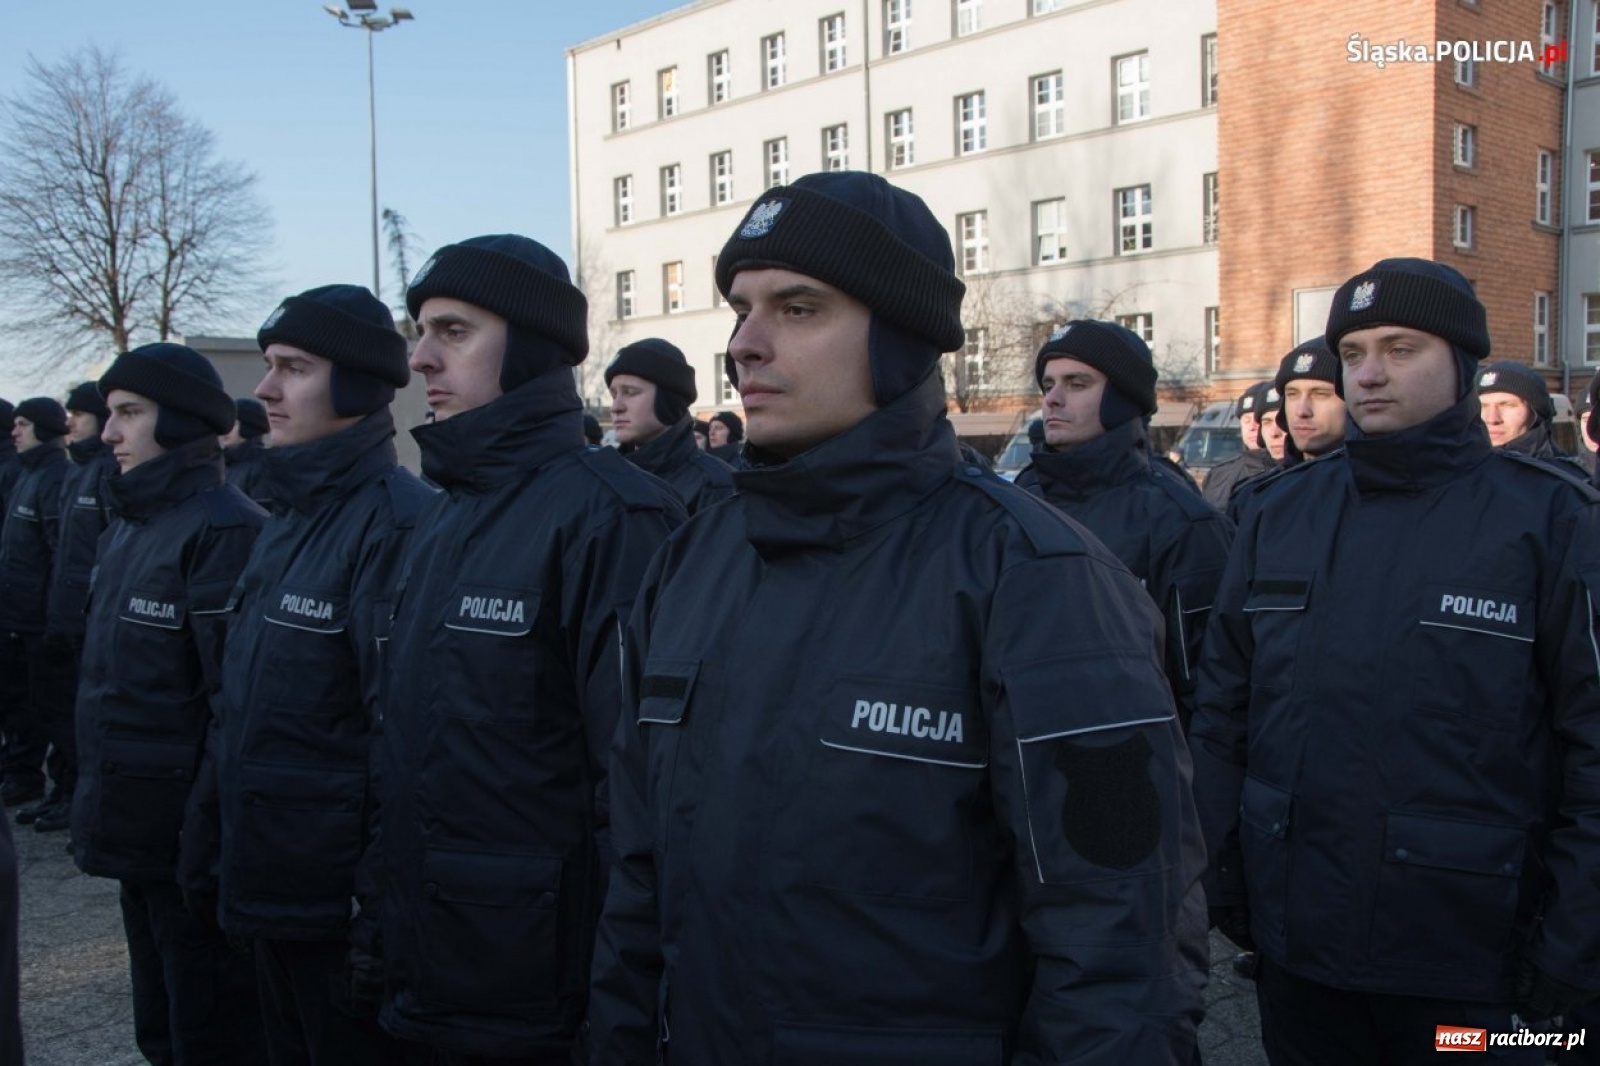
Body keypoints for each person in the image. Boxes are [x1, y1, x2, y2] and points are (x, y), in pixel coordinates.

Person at [589, 171, 1208, 1064]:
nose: (745, 345)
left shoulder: (1042, 580)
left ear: (900, 339)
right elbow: (641, 881)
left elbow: (1122, 931)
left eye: (799, 309)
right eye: (741, 308)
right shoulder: (693, 561)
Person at [1192, 259, 1600, 1066]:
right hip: (1301, 957)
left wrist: (1574, 949)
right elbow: (1224, 716)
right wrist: (1223, 871)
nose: (1370, 373)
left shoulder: (1550, 521)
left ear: (1462, 363)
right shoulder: (1280, 515)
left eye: (1402, 348)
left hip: (1475, 980)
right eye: (1355, 352)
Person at [373, 234, 683, 1064]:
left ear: (533, 346)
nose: (420, 360)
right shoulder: (443, 515)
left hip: (539, 993)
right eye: (420, 331)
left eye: (454, 331)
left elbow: (640, 796)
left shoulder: (613, 517)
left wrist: (618, 1012)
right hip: (433, 967)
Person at [185, 285, 433, 1066]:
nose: (264, 391)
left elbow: (401, 749)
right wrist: (208, 832)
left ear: (360, 385)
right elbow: (241, 704)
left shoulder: (398, 526)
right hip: (269, 891)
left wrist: (375, 924)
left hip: (335, 918)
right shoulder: (287, 520)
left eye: (292, 367)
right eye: (267, 365)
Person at [71, 343, 268, 1066]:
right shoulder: (130, 526)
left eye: (129, 414)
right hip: (136, 837)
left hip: (190, 848)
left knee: (210, 1031)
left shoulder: (226, 530)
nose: (109, 434)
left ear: (183, 424)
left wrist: (205, 838)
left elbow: (232, 706)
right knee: (159, 1027)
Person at [1017, 319, 1233, 729]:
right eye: (1048, 385)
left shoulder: (1182, 522)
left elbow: (1212, 689)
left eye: (1077, 384)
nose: (1053, 400)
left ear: (1123, 397)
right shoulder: (1021, 498)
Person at [23, 384, 117, 835]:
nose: (71, 422)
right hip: (60, 616)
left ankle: (78, 797)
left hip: (85, 619)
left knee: (78, 717)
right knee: (57, 710)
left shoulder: (104, 471)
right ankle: (62, 790)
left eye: (80, 414)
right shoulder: (77, 472)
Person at [0, 398, 69, 812]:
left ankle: (40, 779)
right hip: (16, 608)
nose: (16, 431)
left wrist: (50, 613)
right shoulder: (27, 472)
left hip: (38, 616)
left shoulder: (51, 476)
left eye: (24, 424)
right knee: (16, 698)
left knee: (44, 704)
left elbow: (57, 553)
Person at [606, 338, 734, 515]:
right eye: (614, 395)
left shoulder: (717, 487)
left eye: (630, 392)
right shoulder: (607, 477)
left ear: (667, 400)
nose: (616, 407)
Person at [1475, 360, 1586, 476]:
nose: (1492, 419)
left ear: (1536, 414)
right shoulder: (1460, 476)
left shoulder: (1567, 483)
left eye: (1507, 405)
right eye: (1482, 406)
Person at [1200, 383, 1273, 511]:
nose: (1252, 427)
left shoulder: (1292, 472)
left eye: (1259, 419)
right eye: (1246, 420)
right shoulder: (1218, 475)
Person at [1275, 338, 1346, 462]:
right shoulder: (1271, 480)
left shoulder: (1377, 479)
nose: (1302, 411)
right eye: (1292, 394)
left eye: (1320, 394)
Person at [223, 397, 271, 507]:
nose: (226, 430)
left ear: (247, 427)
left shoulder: (262, 467)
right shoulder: (225, 464)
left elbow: (262, 513)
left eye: (233, 424)